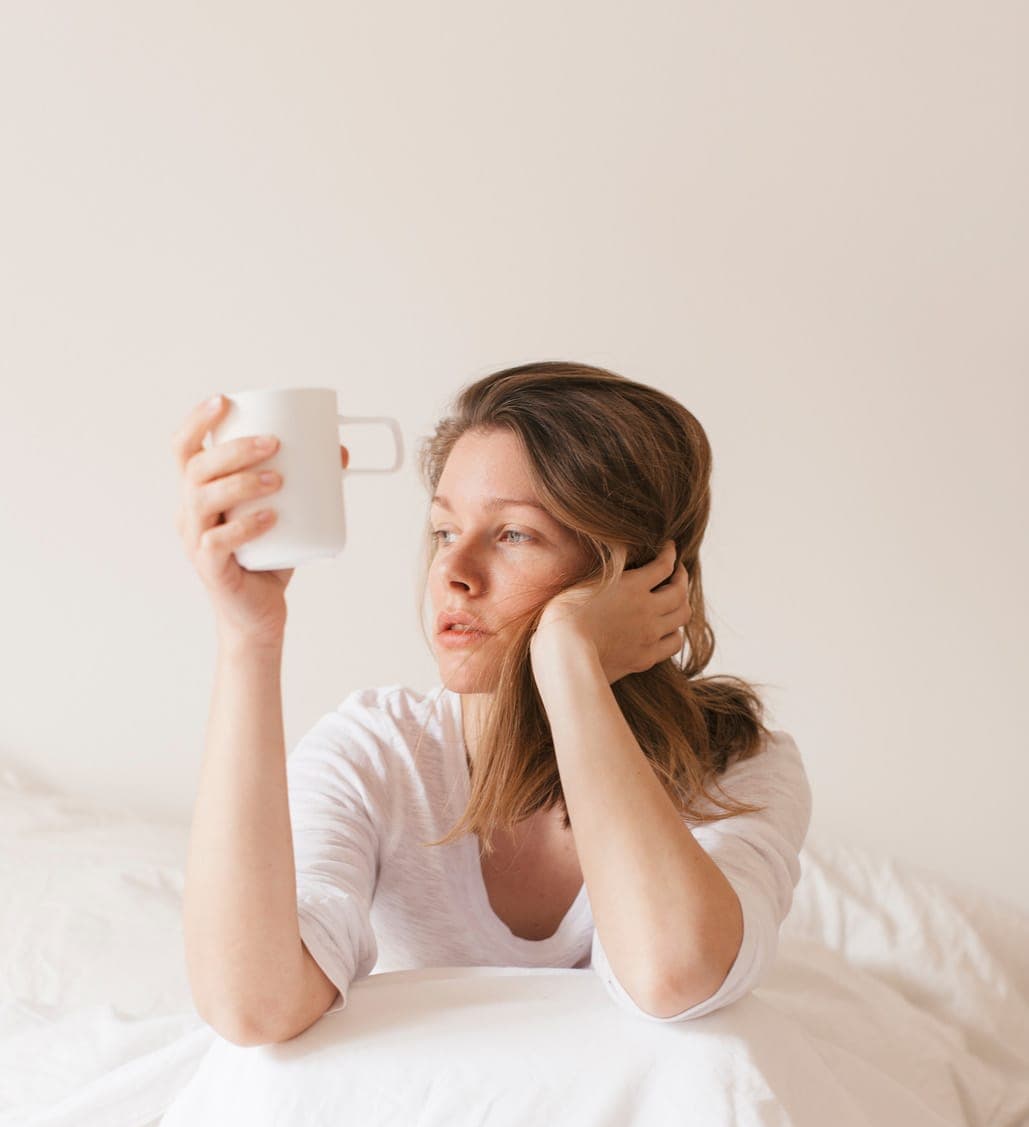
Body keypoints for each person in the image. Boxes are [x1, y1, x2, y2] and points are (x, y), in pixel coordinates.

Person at [172, 360, 812, 1048]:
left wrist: (568, 660)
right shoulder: (380, 751)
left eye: (513, 535)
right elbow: (252, 1008)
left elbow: (672, 976)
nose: (452, 573)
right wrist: (249, 637)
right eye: (445, 531)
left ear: (636, 572)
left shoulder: (734, 769)